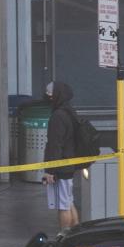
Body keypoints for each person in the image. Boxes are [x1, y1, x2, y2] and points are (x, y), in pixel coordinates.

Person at [42, 80, 81, 230]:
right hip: (69, 164)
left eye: (50, 95)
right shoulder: (69, 111)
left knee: (63, 205)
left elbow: (55, 145)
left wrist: (50, 170)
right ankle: (75, 232)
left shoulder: (58, 116)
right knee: (69, 201)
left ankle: (64, 236)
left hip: (61, 167)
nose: (48, 98)